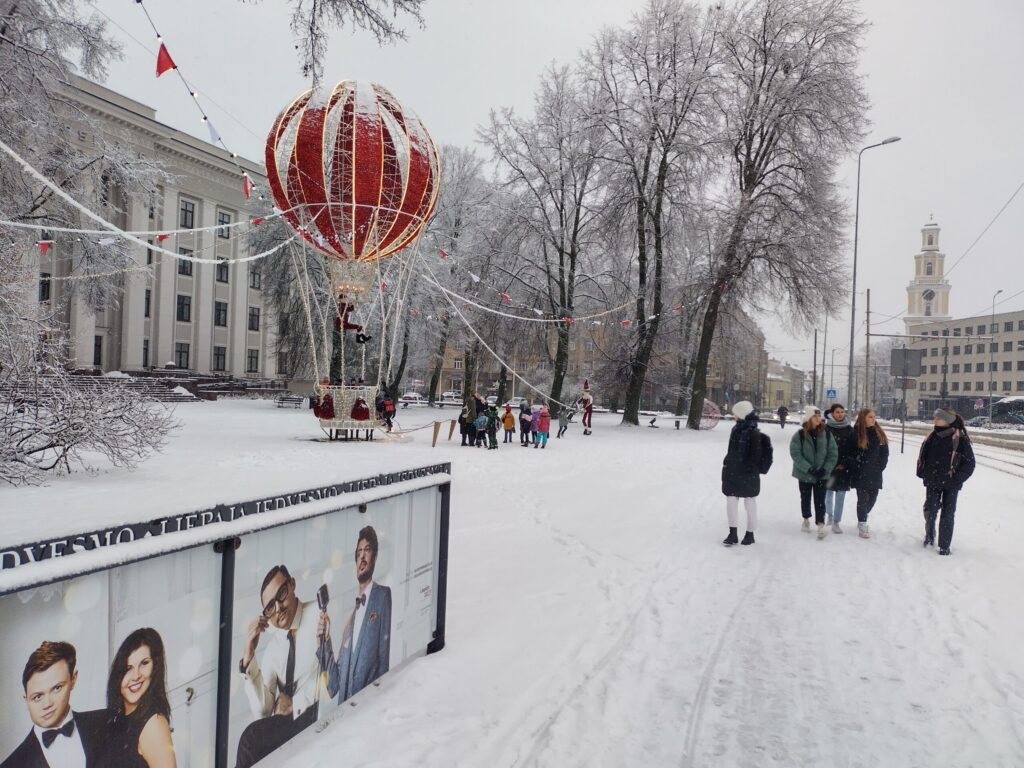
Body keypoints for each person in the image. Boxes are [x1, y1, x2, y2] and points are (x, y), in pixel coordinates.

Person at [236, 565, 321, 768]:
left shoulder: (318, 614)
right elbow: (263, 710)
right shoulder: (274, 647)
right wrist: (249, 656)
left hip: (316, 715)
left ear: (292, 584)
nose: (278, 609)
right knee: (253, 742)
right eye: (270, 607)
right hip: (290, 729)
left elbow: (337, 673)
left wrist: (296, 703)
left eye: (281, 594)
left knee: (250, 739)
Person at [2, 641, 107, 768]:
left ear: (73, 679)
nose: (47, 704)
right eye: (37, 697)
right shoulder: (11, 765)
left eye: (57, 688)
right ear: (26, 700)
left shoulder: (107, 724)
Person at [318, 526, 392, 703]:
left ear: (375, 556)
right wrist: (324, 642)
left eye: (367, 550)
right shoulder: (348, 624)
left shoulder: (382, 596)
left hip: (369, 709)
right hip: (345, 717)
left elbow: (384, 660)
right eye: (359, 552)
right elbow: (333, 687)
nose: (362, 556)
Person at [95, 628, 176, 768]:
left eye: (144, 663)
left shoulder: (154, 723)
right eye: (128, 668)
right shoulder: (117, 720)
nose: (136, 676)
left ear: (155, 667)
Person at [916, 408, 976, 555]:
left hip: (951, 484)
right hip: (933, 481)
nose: (935, 420)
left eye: (938, 418)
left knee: (948, 514)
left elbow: (969, 464)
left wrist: (956, 480)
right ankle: (930, 535)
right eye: (935, 417)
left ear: (947, 420)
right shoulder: (932, 436)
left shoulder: (960, 439)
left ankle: (944, 546)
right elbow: (923, 456)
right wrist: (923, 473)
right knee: (930, 510)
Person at [720, 401, 773, 546]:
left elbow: (754, 456)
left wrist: (745, 467)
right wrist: (728, 463)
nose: (733, 416)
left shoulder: (754, 433)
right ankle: (733, 533)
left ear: (742, 414)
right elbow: (732, 450)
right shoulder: (735, 429)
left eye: (736, 413)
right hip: (733, 472)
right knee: (731, 502)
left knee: (750, 503)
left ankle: (750, 533)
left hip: (748, 473)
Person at [789, 405, 837, 539]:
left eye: (819, 416)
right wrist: (809, 468)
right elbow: (795, 454)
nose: (818, 418)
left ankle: (820, 525)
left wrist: (825, 469)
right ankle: (806, 519)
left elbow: (833, 453)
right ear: (809, 418)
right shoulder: (799, 435)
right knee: (805, 498)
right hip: (804, 474)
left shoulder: (827, 434)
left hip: (822, 475)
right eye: (815, 416)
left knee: (820, 500)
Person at [848, 409, 889, 539]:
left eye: (874, 416)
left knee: (873, 498)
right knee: (863, 498)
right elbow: (850, 452)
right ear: (863, 418)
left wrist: (881, 466)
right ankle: (863, 523)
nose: (873, 419)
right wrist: (856, 464)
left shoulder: (879, 433)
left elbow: (884, 452)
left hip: (875, 472)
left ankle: (863, 516)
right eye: (870, 417)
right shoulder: (856, 433)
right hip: (860, 472)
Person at [823, 403, 854, 533]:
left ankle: (836, 522)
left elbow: (853, 449)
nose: (840, 414)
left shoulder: (849, 429)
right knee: (828, 493)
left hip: (844, 468)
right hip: (829, 467)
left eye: (842, 412)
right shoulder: (825, 429)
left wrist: (845, 463)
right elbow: (822, 448)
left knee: (841, 495)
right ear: (832, 413)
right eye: (837, 412)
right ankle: (829, 514)